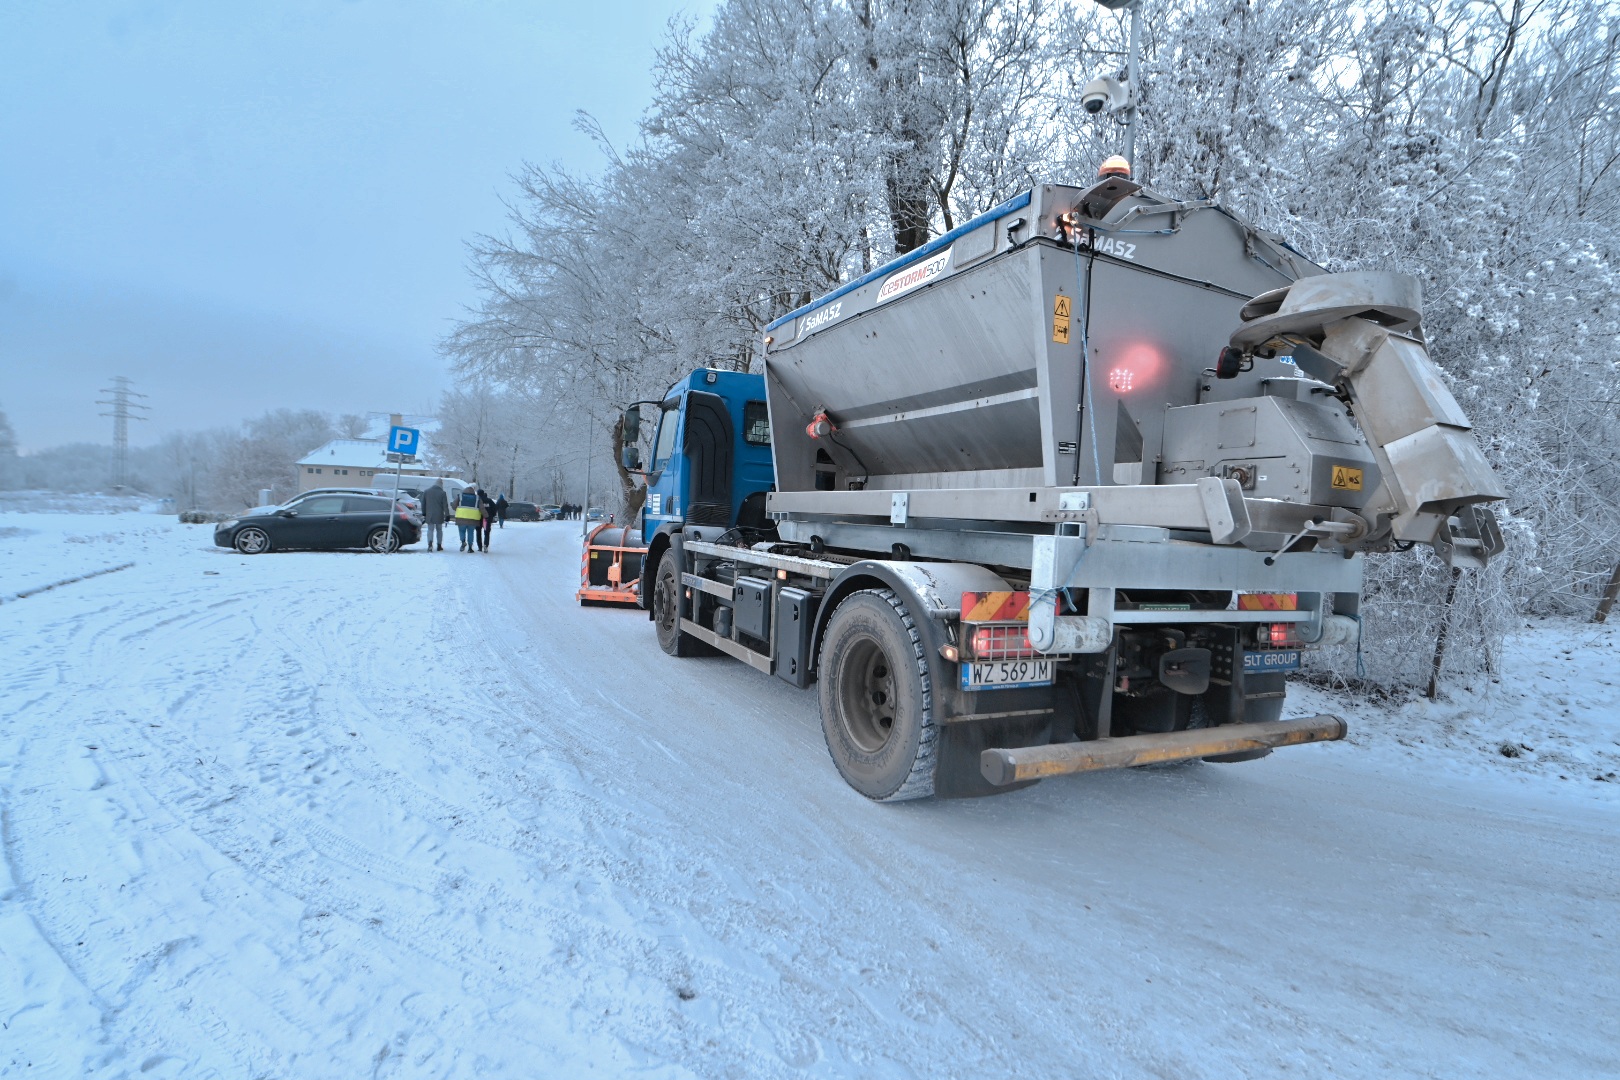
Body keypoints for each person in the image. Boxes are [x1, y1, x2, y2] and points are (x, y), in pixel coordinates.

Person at [421, 479, 449, 552]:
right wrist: (447, 515)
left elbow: (423, 503)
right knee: (439, 530)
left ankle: (430, 544)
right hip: (439, 515)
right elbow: (445, 505)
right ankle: (439, 545)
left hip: (429, 515)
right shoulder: (442, 493)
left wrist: (424, 512)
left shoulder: (426, 491)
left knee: (430, 530)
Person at [454, 483, 483, 552]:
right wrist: (486, 516)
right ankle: (470, 547)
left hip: (461, 518)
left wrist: (457, 509)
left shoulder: (460, 496)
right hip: (473, 519)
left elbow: (454, 505)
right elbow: (482, 508)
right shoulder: (477, 498)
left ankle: (463, 542)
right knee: (470, 532)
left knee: (462, 531)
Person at [477, 486, 496, 551]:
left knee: (478, 532)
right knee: (487, 532)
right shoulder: (489, 500)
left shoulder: (477, 500)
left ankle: (479, 547)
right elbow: (494, 508)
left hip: (478, 518)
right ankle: (486, 545)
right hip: (487, 518)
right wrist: (492, 516)